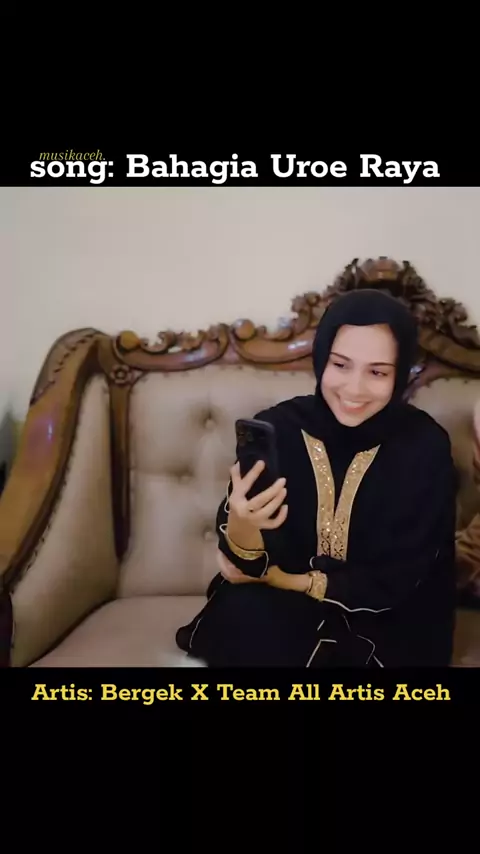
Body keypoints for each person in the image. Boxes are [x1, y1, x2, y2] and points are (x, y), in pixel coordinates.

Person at [176, 289, 458, 667]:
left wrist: (292, 580)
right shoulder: (280, 428)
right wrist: (243, 524)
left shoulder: (425, 446)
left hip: (389, 617)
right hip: (285, 612)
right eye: (340, 365)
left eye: (377, 372)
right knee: (249, 612)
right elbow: (245, 570)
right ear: (322, 358)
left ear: (400, 374)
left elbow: (404, 573)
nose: (354, 389)